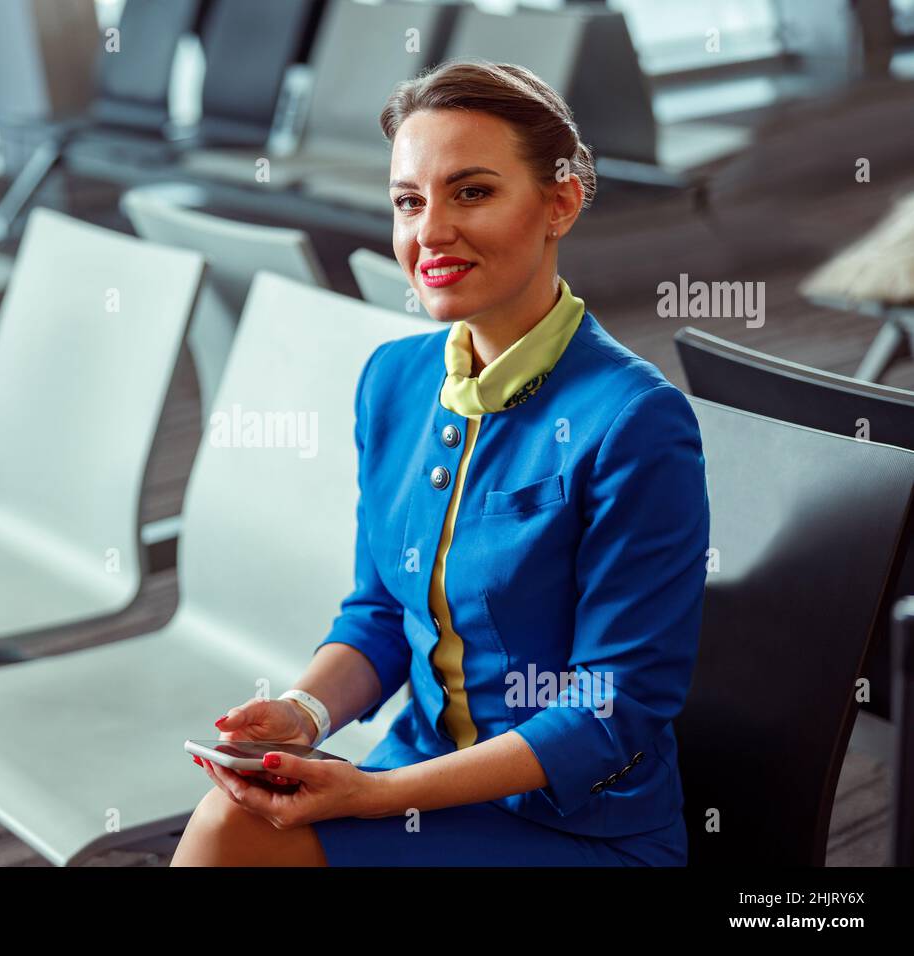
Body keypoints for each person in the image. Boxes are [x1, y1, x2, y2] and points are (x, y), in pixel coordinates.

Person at [171, 59, 710, 867]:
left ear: (560, 201)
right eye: (409, 202)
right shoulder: (394, 379)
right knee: (235, 821)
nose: (430, 233)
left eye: (473, 192)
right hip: (413, 778)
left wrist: (378, 796)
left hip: (575, 827)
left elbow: (613, 703)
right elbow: (382, 611)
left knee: (230, 834)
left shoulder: (635, 421)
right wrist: (304, 715)